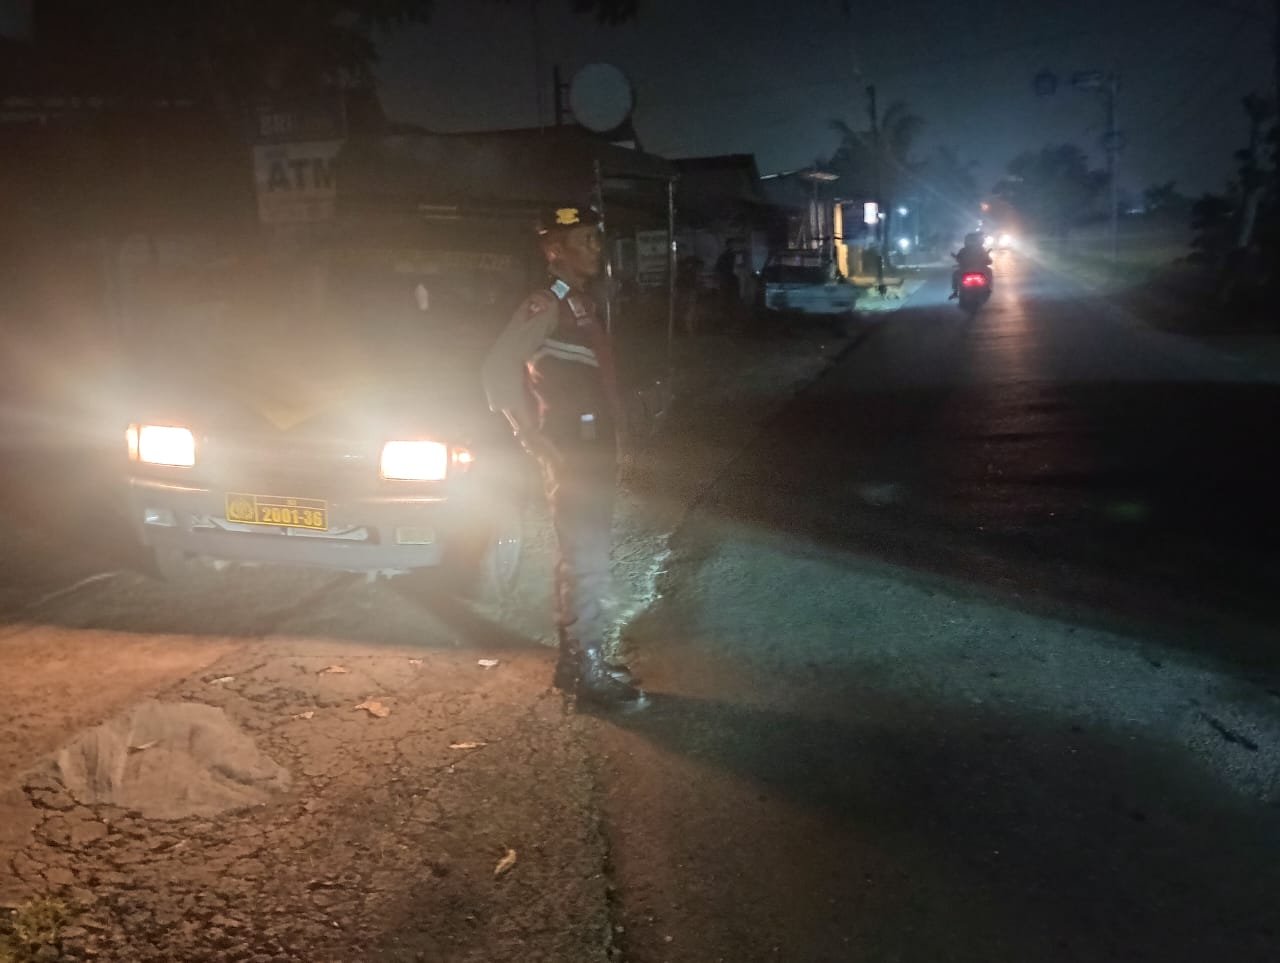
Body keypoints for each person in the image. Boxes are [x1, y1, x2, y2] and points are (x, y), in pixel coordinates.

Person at [481, 204, 644, 707]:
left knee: (583, 553)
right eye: (584, 240)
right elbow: (496, 369)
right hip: (572, 447)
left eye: (597, 238)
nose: (596, 247)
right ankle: (587, 667)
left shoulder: (579, 302)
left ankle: (575, 660)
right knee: (586, 556)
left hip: (591, 444)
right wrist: (529, 435)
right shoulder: (546, 304)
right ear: (554, 249)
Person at [950, 231, 993, 299]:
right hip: (979, 270)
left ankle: (955, 292)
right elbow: (989, 261)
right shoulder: (981, 250)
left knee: (955, 274)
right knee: (989, 271)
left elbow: (959, 259)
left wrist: (956, 258)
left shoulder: (963, 250)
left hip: (965, 271)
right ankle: (988, 287)